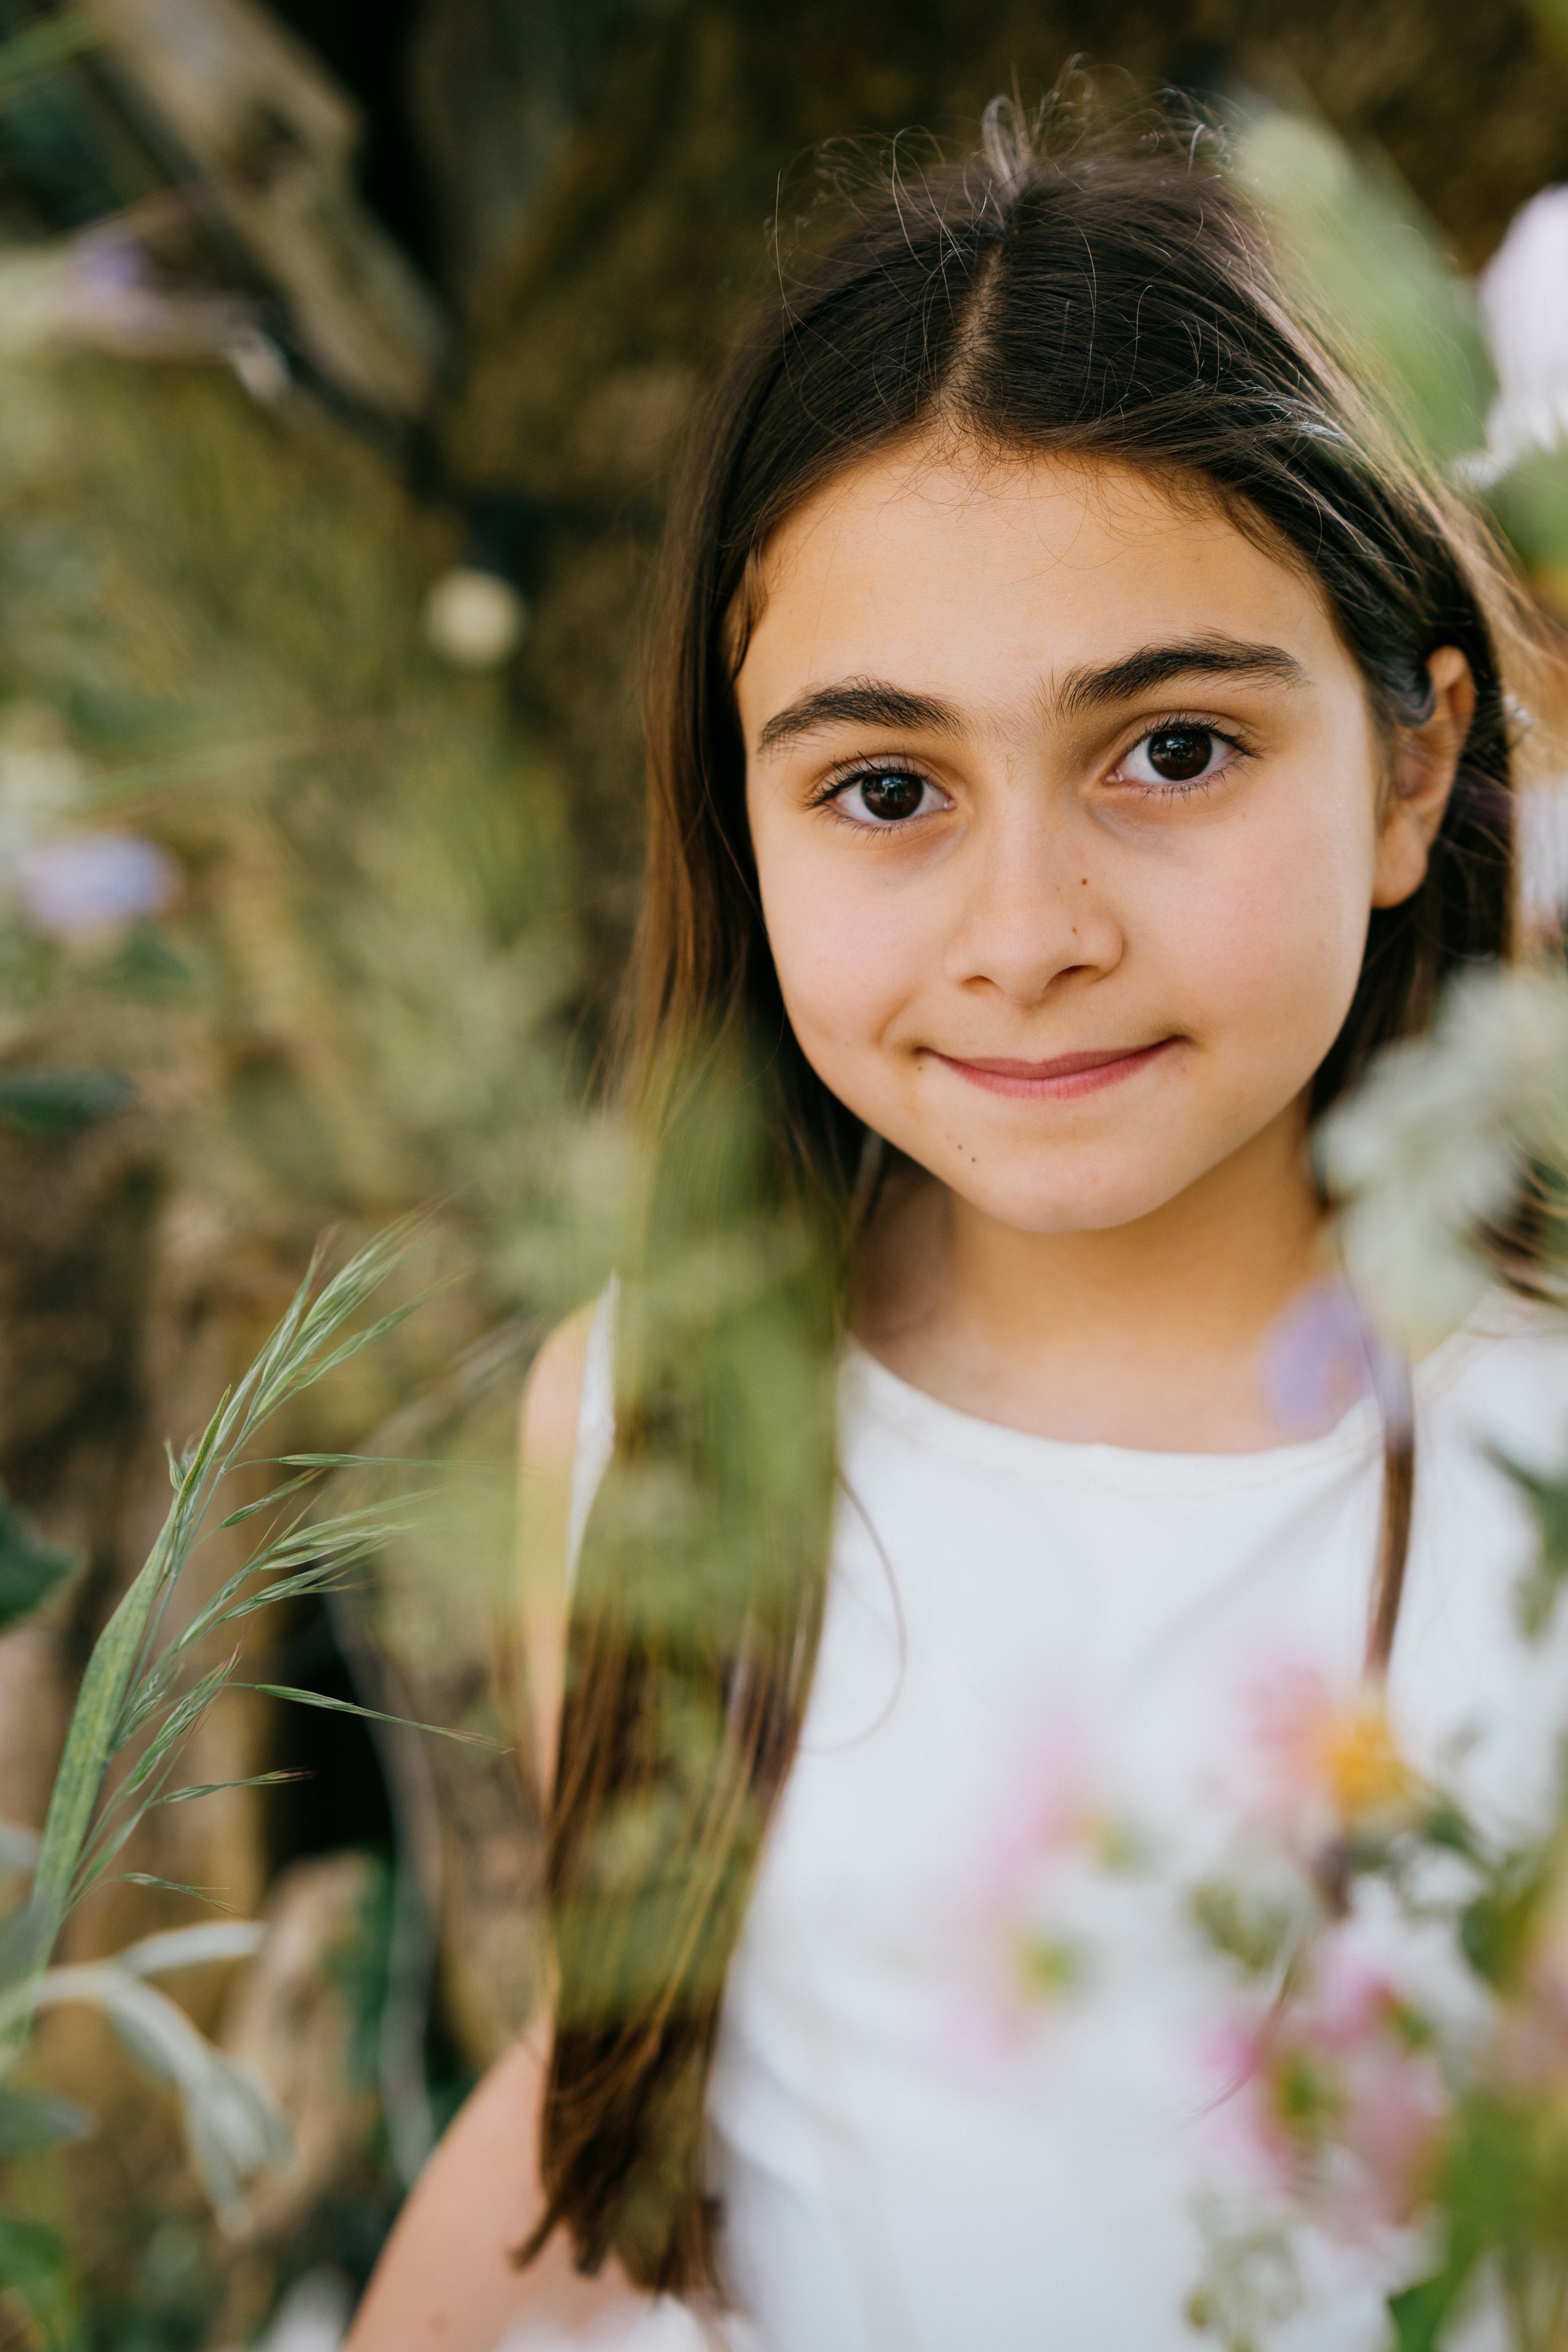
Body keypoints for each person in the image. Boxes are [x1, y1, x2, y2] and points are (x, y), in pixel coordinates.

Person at [349, 89, 1567, 2352]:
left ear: (1415, 768)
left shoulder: (1541, 1484)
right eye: (887, 791)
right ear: (744, 815)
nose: (1028, 932)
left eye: (1172, 750)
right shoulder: (653, 1413)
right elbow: (619, 2103)